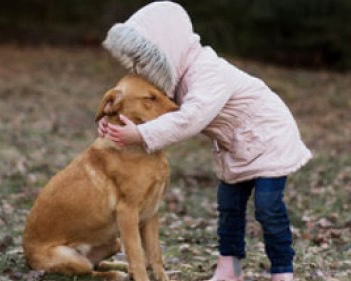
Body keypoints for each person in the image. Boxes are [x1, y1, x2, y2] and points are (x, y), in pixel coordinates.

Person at [97, 2, 312, 280]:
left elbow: (189, 118)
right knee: (229, 207)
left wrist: (140, 135)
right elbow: (150, 106)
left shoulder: (208, 72)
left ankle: (282, 271)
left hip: (270, 137)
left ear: (168, 50)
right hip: (236, 147)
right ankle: (229, 269)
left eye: (148, 60)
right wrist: (111, 117)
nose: (143, 69)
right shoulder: (175, 80)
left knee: (268, 207)